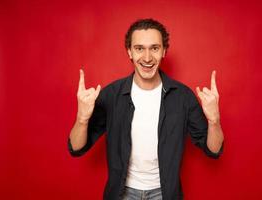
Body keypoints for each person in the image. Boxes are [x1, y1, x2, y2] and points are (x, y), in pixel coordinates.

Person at [68, 18, 224, 200]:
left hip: (165, 194)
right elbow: (76, 148)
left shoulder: (183, 97)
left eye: (155, 48)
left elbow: (213, 150)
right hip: (122, 193)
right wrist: (82, 119)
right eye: (139, 48)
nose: (147, 58)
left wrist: (214, 121)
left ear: (164, 51)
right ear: (129, 52)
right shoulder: (111, 95)